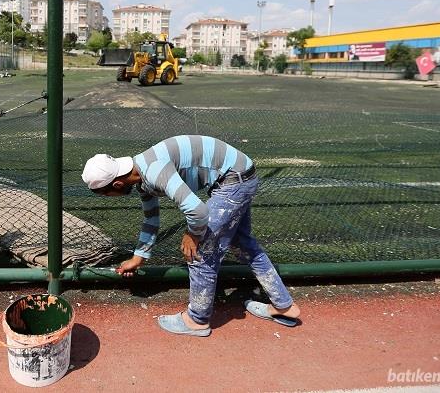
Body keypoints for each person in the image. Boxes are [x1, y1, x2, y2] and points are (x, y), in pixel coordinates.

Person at [81, 135, 301, 337]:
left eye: (107, 194)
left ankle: (197, 320)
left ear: (117, 184)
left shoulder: (154, 171)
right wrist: (138, 257)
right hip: (241, 175)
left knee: (199, 250)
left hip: (234, 180)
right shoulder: (141, 174)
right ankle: (284, 306)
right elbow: (151, 220)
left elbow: (197, 211)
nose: (111, 197)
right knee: (243, 243)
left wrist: (192, 234)